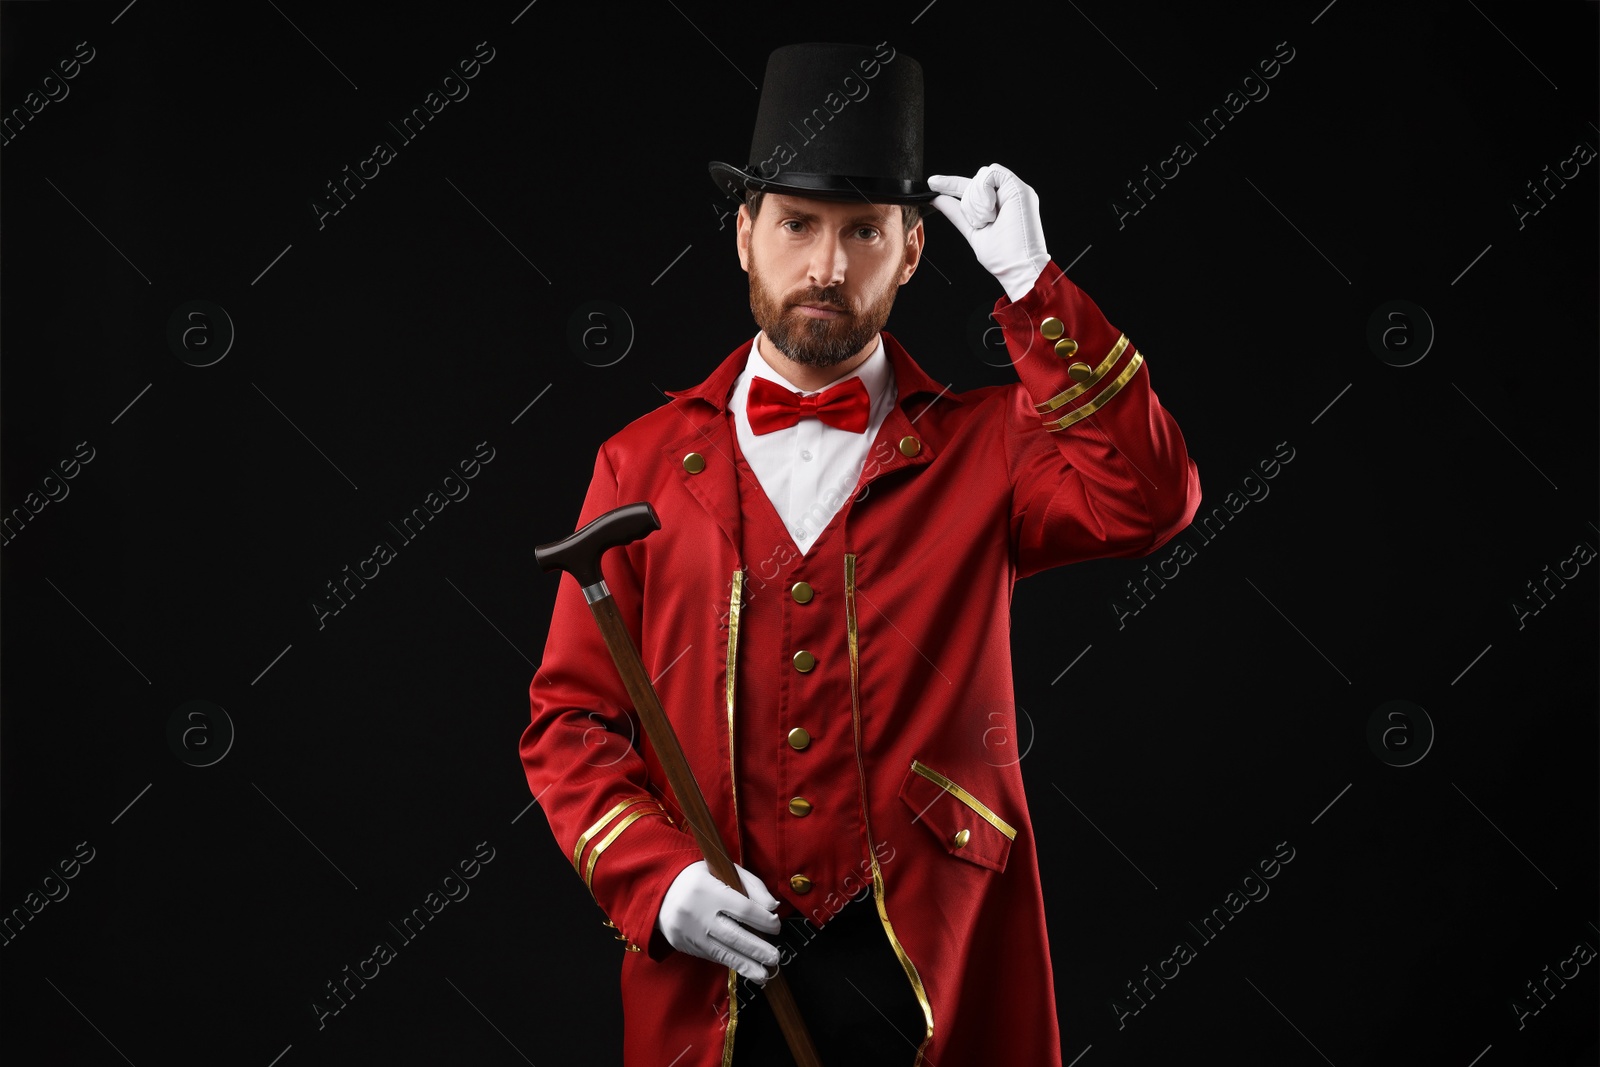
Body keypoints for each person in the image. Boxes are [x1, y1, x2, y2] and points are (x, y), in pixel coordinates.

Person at [520, 41, 1201, 1067]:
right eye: (796, 225)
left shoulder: (991, 445)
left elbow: (1148, 499)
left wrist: (1032, 280)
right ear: (744, 235)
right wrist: (656, 878)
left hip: (935, 954)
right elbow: (569, 721)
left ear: (913, 250)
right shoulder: (639, 460)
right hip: (721, 979)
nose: (827, 268)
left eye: (862, 233)